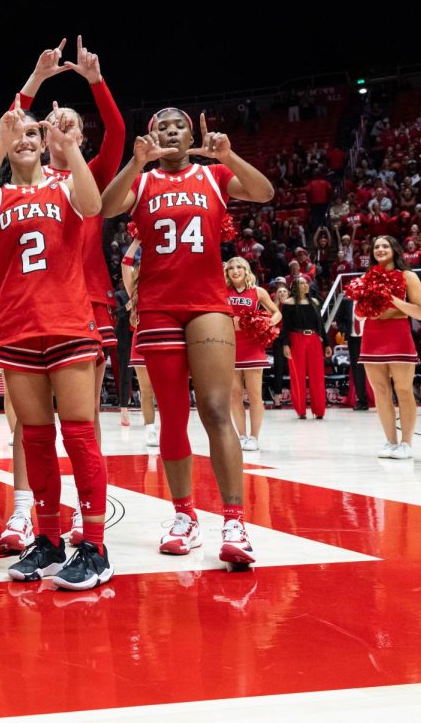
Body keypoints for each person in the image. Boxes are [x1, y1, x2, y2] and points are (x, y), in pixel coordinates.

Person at [102, 110, 274, 565]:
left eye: (179, 125)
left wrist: (229, 154)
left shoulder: (215, 174)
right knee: (173, 415)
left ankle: (234, 521)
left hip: (207, 303)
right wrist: (135, 162)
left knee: (218, 410)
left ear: (191, 134)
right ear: (153, 135)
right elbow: (105, 206)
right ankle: (184, 516)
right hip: (158, 304)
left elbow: (263, 192)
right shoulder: (142, 181)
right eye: (163, 126)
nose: (172, 131)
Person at [0, 99, 112, 592]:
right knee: (34, 437)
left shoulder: (66, 184)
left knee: (78, 433)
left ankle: (93, 547)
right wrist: (0, 141)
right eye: (19, 136)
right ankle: (48, 540)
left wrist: (68, 146)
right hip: (17, 326)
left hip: (69, 323)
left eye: (34, 134)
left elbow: (94, 206)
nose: (26, 140)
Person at [358, 235, 421, 459]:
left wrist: (391, 299)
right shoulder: (366, 278)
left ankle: (406, 443)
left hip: (398, 335)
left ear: (395, 249)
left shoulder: (408, 276)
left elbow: (419, 312)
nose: (380, 249)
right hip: (371, 336)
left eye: (385, 245)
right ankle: (390, 441)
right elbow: (359, 313)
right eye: (376, 246)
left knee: (404, 390)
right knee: (380, 392)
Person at [225, 257, 281, 450]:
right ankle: (241, 436)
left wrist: (266, 323)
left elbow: (276, 313)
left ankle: (254, 437)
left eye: (239, 267)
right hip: (229, 346)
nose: (235, 271)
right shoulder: (222, 291)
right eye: (231, 268)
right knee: (234, 394)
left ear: (246, 270)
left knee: (255, 394)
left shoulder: (258, 291)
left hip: (252, 346)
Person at [120, 240, 158, 447]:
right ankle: (150, 429)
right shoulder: (134, 292)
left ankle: (171, 428)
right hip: (142, 341)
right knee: (146, 390)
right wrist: (137, 241)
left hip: (163, 341)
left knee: (166, 390)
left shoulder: (166, 288)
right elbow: (126, 263)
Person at [279, 276, 331, 421]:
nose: (305, 285)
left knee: (317, 376)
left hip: (314, 339)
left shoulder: (314, 302)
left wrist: (326, 343)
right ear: (295, 286)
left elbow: (320, 324)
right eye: (301, 283)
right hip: (296, 338)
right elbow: (286, 327)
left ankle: (319, 410)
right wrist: (286, 344)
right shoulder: (288, 304)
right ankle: (300, 410)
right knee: (298, 375)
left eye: (306, 283)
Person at [335, 295, 368, 410]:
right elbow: (339, 319)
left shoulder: (370, 299)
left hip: (370, 337)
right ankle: (361, 400)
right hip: (354, 339)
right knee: (357, 370)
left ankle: (382, 399)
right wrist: (344, 330)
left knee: (377, 368)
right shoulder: (346, 301)